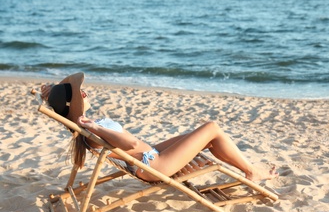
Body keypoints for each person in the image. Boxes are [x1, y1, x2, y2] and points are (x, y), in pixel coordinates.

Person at [41, 72, 278, 182]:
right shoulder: (91, 130)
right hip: (153, 164)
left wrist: (50, 97)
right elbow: (131, 144)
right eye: (79, 93)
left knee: (205, 136)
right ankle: (251, 171)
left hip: (151, 154)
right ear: (75, 106)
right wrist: (99, 128)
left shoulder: (79, 125)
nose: (84, 92)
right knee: (212, 127)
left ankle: (248, 169)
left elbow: (64, 117)